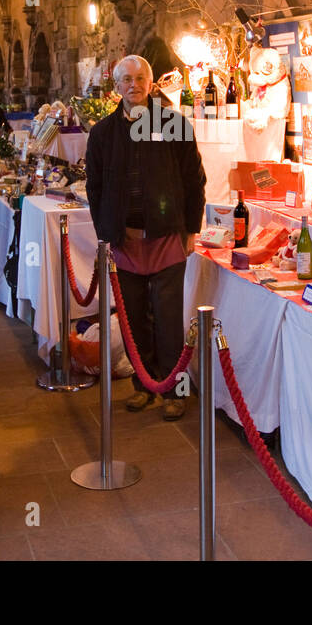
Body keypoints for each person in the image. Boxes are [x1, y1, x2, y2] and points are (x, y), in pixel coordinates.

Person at [85, 55, 205, 421]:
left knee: (170, 320)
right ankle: (144, 386)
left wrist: (191, 230)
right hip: (126, 240)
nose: (133, 85)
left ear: (151, 84)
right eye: (126, 79)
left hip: (167, 236)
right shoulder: (102, 133)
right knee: (133, 318)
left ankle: (174, 391)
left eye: (140, 78)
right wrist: (105, 233)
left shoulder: (174, 125)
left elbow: (193, 180)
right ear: (116, 86)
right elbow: (96, 187)